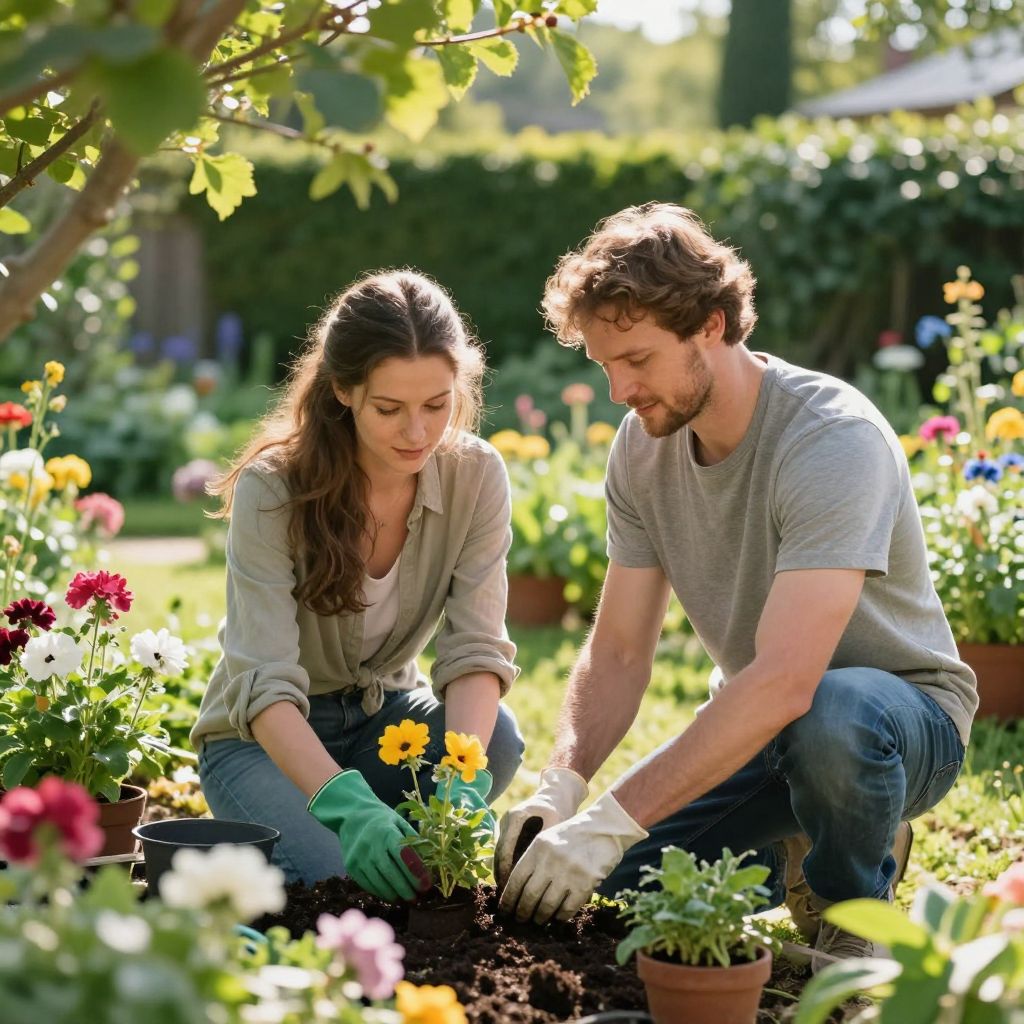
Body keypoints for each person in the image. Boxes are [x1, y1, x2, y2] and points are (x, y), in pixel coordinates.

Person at [495, 203, 976, 972]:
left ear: (712, 324)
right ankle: (799, 840)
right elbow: (618, 651)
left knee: (833, 712)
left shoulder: (830, 439)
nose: (619, 388)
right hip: (764, 731)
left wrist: (612, 817)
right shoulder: (643, 449)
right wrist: (564, 786)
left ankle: (853, 907)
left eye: (639, 360)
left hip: (895, 721)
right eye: (605, 364)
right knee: (616, 889)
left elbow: (788, 681)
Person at [191, 269, 524, 898]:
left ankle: (388, 834)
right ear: (343, 390)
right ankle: (314, 834)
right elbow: (261, 685)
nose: (419, 433)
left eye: (437, 405)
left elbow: (476, 647)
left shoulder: (475, 476)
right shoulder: (275, 488)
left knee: (494, 741)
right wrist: (346, 807)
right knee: (346, 886)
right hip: (263, 742)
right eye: (390, 409)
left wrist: (462, 778)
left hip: (383, 722)